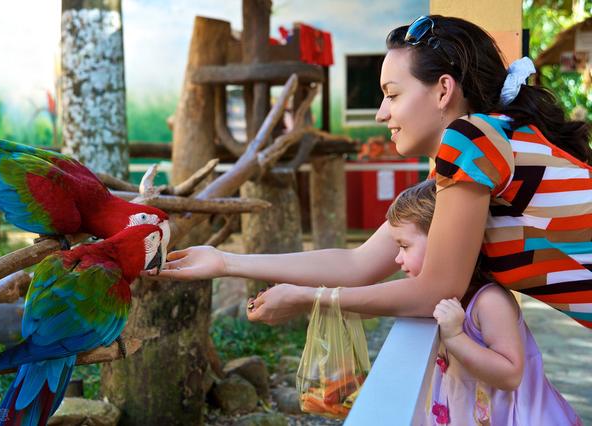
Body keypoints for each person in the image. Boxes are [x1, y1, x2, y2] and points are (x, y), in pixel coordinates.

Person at [153, 15, 592, 329]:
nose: (382, 113)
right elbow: (359, 261)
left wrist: (312, 300)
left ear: (443, 91)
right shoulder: (486, 148)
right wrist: (225, 261)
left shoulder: (471, 138)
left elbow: (435, 291)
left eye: (392, 94)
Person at [387, 180, 581, 425]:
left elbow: (510, 375)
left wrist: (455, 337)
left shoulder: (489, 301)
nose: (397, 258)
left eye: (404, 246)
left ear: (444, 242)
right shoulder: (445, 299)